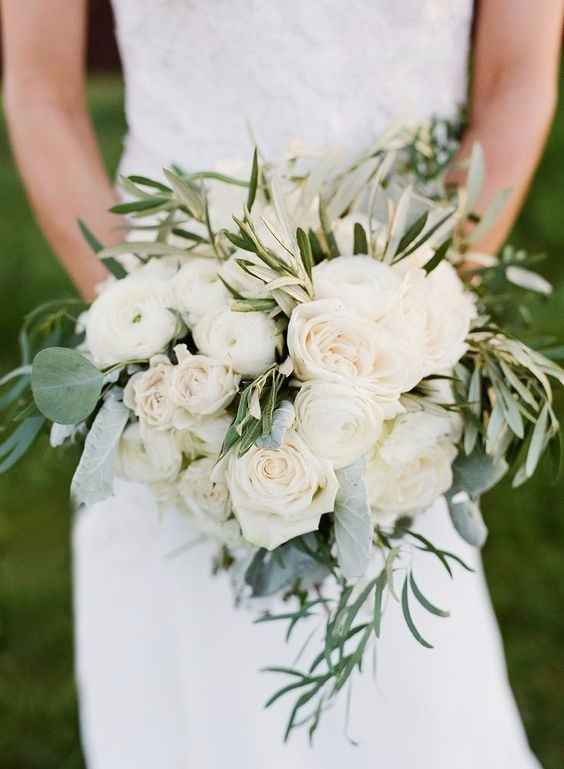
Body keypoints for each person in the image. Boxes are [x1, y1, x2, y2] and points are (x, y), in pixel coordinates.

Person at [2, 1, 562, 767]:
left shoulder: (394, 350)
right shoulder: (169, 359)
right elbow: (41, 92)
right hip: (176, 339)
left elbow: (517, 78)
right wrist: (158, 344)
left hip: (386, 360)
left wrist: (402, 333)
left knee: (415, 702)